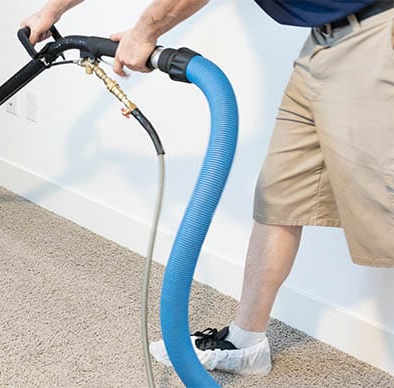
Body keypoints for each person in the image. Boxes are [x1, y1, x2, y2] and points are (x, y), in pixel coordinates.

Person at [22, 0, 394, 376]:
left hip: (379, 32)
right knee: (282, 195)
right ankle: (246, 343)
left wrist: (145, 32)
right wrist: (53, 11)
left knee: (386, 213)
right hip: (326, 39)